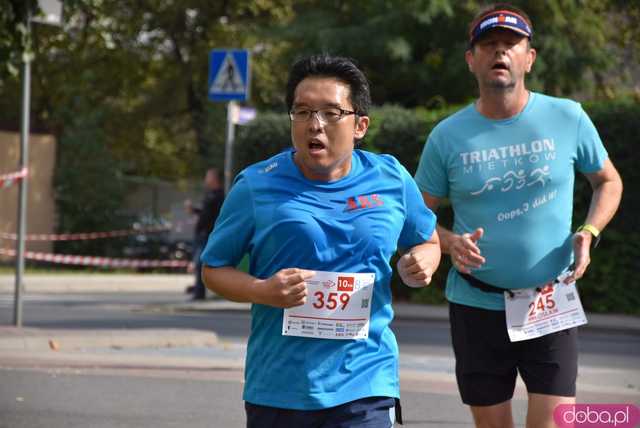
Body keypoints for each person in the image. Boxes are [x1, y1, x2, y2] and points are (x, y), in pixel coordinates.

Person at [201, 55, 441, 427]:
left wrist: (424, 260)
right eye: (302, 111)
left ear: (360, 124)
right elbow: (214, 270)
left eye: (331, 113)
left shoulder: (391, 177)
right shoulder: (256, 184)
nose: (315, 125)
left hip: (366, 381)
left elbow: (428, 240)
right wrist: (263, 290)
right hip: (280, 386)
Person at [414, 3, 623, 428]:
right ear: (471, 60)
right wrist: (448, 240)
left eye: (511, 44)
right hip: (477, 301)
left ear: (529, 58)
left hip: (551, 298)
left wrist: (589, 230)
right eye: (488, 45)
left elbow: (608, 181)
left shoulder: (567, 116)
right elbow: (416, 214)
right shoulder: (447, 136)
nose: (500, 52)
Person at [184, 168, 224, 300]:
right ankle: (198, 289)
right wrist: (194, 210)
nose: (206, 180)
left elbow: (209, 216)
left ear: (214, 178)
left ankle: (199, 292)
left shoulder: (218, 196)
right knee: (198, 262)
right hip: (204, 233)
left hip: (208, 233)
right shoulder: (211, 195)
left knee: (200, 262)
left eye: (208, 177)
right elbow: (204, 213)